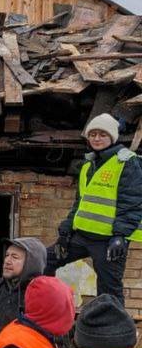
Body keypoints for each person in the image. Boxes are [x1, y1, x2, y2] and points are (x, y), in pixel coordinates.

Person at [48, 113, 142, 303]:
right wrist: (65, 231)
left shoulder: (127, 162)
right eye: (93, 134)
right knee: (44, 260)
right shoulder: (88, 164)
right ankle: (45, 309)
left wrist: (120, 236)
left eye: (102, 134)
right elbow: (80, 203)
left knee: (109, 293)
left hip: (108, 241)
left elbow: (133, 202)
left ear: (112, 137)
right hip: (81, 236)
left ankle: (114, 331)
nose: (97, 138)